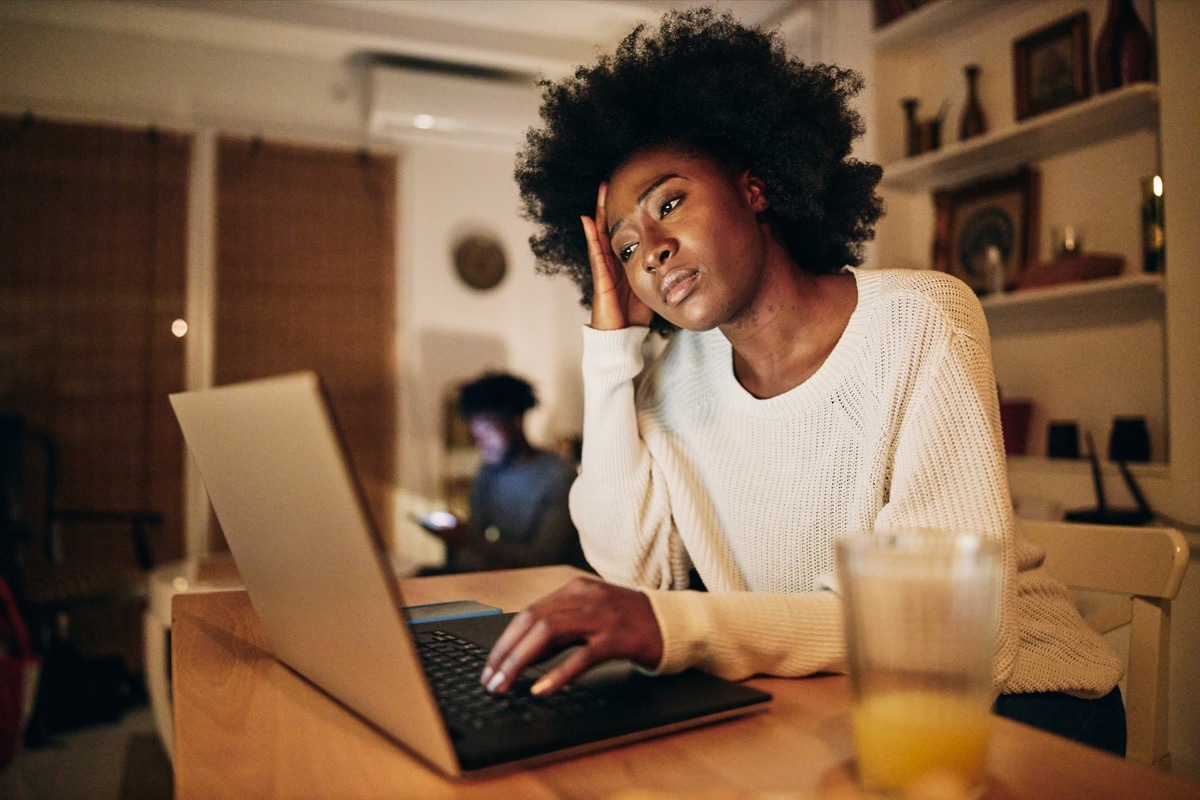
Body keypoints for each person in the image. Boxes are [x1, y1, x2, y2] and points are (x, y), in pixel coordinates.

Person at [481, 7, 1126, 756]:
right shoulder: (667, 380)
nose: (651, 251)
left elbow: (946, 634)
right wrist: (609, 346)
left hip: (1020, 703)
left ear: (755, 188)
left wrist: (680, 629)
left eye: (669, 203)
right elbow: (633, 572)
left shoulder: (921, 321)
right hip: (829, 693)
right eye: (624, 249)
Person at [422, 372, 587, 573]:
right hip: (492, 578)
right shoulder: (487, 472)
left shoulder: (558, 476)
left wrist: (467, 538)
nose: (481, 444)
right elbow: (476, 538)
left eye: (487, 432)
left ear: (516, 421)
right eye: (476, 436)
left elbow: (543, 558)